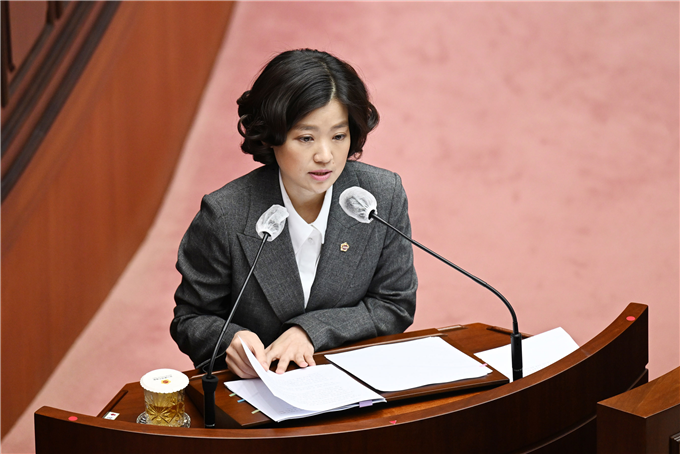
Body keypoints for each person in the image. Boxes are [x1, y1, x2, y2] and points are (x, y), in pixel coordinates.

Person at [170, 49, 417, 379]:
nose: (325, 155)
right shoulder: (226, 214)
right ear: (272, 136)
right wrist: (231, 340)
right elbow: (191, 318)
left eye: (339, 136)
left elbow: (394, 304)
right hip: (262, 389)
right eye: (306, 138)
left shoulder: (381, 196)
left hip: (353, 385)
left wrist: (311, 331)